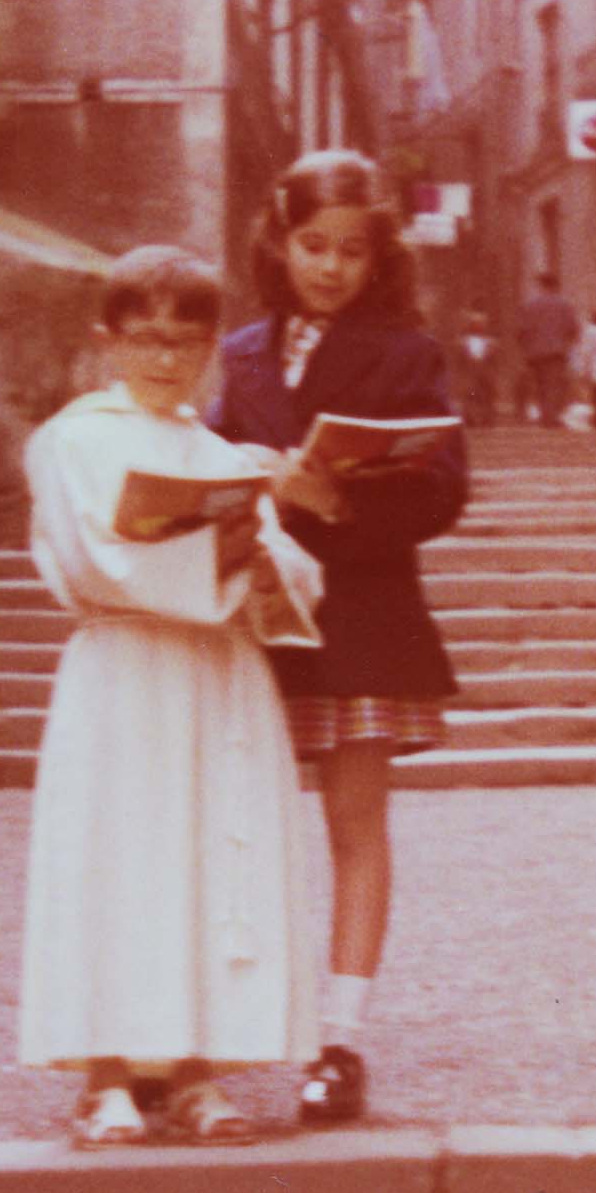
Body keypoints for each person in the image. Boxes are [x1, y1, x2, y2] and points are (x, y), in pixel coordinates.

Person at [20, 246, 325, 1149]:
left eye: (185, 343)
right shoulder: (75, 440)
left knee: (204, 860)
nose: (163, 361)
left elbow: (296, 576)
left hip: (217, 676)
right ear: (107, 340)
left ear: (211, 349)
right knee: (119, 860)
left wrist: (264, 548)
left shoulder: (220, 453)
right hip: (126, 674)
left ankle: (196, 1071)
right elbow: (97, 561)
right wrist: (212, 554)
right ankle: (108, 1075)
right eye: (145, 340)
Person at [211, 150, 468, 1127]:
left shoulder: (407, 354)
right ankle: (221, 1026)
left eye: (352, 252)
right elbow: (200, 457)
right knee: (237, 824)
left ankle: (340, 1039)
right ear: (277, 242)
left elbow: (445, 491)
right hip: (260, 618)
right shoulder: (237, 352)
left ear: (378, 258)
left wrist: (336, 499)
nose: (329, 267)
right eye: (312, 245)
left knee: (356, 828)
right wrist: (234, 472)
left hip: (363, 615)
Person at [517, 271, 579, 427]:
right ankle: (551, 418)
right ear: (556, 285)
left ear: (541, 285)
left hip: (535, 352)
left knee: (539, 386)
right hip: (556, 351)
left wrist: (525, 346)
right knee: (553, 385)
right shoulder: (565, 304)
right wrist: (567, 343)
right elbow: (573, 328)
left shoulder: (530, 304)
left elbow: (521, 329)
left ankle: (546, 416)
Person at [456, 308, 499, 427]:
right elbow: (460, 361)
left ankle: (487, 419)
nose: (478, 326)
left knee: (487, 395)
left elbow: (494, 361)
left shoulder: (491, 342)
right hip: (470, 374)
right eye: (475, 324)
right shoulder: (463, 342)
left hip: (486, 373)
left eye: (481, 324)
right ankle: (470, 418)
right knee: (470, 395)